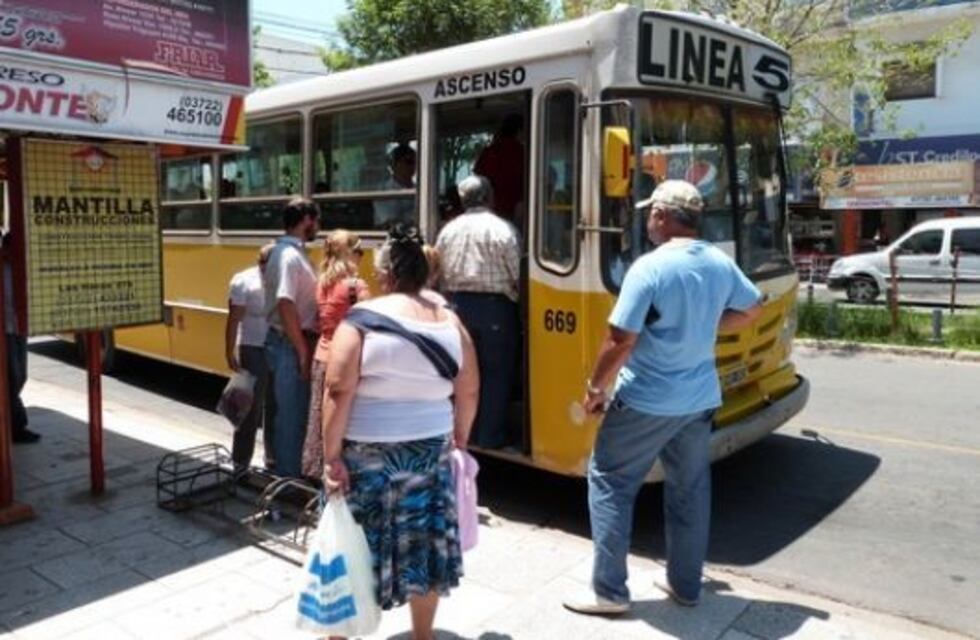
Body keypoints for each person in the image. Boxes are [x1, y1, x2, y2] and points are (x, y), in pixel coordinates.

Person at [563, 180, 763, 615]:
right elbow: (752, 309)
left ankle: (609, 592)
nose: (648, 221)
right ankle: (685, 585)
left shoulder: (649, 268)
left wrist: (595, 389)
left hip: (646, 400)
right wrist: (706, 325)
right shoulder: (718, 261)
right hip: (698, 400)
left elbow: (619, 339)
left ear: (661, 215)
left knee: (610, 481)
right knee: (689, 489)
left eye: (651, 213)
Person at [321, 224, 479, 640]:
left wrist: (331, 457)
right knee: (425, 546)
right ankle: (423, 635)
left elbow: (337, 390)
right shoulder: (450, 321)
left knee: (352, 549)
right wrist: (460, 440)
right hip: (430, 453)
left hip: (366, 459)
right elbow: (469, 389)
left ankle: (339, 637)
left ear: (385, 274)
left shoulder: (361, 320)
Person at [436, 175, 520, 449]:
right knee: (496, 373)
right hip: (496, 308)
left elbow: (438, 270)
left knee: (463, 373)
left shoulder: (448, 231)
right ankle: (490, 436)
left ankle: (464, 433)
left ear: (462, 200)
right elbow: (517, 272)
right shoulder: (503, 229)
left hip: (457, 306)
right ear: (490, 197)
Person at [301, 230, 369, 478]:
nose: (361, 256)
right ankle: (343, 476)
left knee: (322, 420)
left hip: (321, 358)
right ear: (350, 253)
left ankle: (319, 472)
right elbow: (370, 326)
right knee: (346, 423)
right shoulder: (356, 286)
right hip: (347, 362)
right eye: (359, 251)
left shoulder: (322, 284)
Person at [263, 197, 321, 478]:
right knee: (291, 416)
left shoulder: (292, 252)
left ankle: (290, 475)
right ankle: (289, 481)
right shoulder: (288, 256)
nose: (318, 226)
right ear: (306, 220)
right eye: (316, 221)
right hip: (289, 344)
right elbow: (285, 303)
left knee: (294, 414)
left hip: (291, 342)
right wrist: (301, 349)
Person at [224, 243, 276, 470]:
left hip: (278, 349)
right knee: (249, 408)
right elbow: (233, 319)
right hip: (252, 348)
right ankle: (240, 462)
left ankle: (273, 460)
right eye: (261, 262)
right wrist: (229, 351)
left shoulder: (284, 279)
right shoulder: (244, 281)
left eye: (269, 263)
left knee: (276, 407)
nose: (264, 267)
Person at [2, 232, 37, 444]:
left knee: (21, 375)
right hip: (4, 331)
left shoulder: (21, 271)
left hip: (18, 328)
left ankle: (12, 422)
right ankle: (16, 425)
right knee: (12, 377)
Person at [474, 113, 525, 223]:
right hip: (516, 213)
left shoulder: (487, 153)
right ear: (520, 131)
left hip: (489, 212)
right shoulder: (523, 154)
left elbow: (477, 180)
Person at [373, 144, 417, 229]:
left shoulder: (420, 189)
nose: (413, 166)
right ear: (395, 164)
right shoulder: (384, 191)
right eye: (409, 161)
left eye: (416, 162)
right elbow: (390, 222)